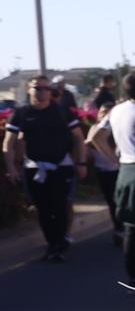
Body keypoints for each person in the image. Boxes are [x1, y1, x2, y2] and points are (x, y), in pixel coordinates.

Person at [4, 75, 86, 262]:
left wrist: (80, 162)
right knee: (42, 208)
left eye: (46, 89)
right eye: (37, 88)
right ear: (29, 90)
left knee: (59, 206)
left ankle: (58, 244)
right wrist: (11, 167)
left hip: (60, 166)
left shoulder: (62, 111)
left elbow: (79, 138)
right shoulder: (21, 113)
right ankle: (53, 243)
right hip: (34, 168)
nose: (42, 92)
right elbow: (8, 143)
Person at [93, 71, 135, 289]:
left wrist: (114, 158)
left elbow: (95, 136)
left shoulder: (116, 110)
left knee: (131, 226)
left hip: (126, 171)